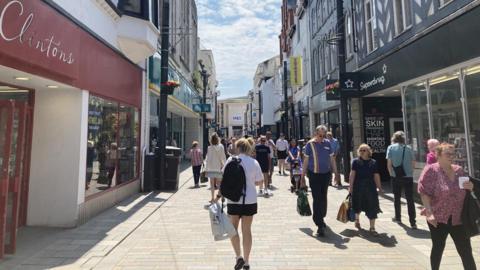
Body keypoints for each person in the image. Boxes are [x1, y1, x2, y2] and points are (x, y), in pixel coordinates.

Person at [418, 143, 477, 270]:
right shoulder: (431, 170)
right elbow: (424, 193)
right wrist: (429, 213)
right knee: (438, 248)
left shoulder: (459, 170)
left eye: (453, 153)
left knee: (466, 251)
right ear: (438, 155)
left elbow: (467, 191)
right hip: (438, 218)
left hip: (459, 218)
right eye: (448, 154)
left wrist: (471, 188)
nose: (452, 156)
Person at [215, 138, 263, 270]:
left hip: (233, 200)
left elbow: (222, 180)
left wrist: (218, 196)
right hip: (250, 201)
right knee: (247, 231)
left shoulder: (231, 160)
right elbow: (260, 181)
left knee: (233, 230)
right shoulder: (254, 162)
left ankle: (238, 257)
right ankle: (247, 262)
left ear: (237, 148)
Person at [301, 125, 338, 237]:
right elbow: (306, 161)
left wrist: (336, 173)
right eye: (319, 135)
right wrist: (302, 176)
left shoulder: (327, 144)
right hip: (314, 175)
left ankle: (321, 217)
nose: (321, 137)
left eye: (323, 135)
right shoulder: (310, 144)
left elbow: (332, 159)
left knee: (323, 197)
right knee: (317, 198)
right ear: (316, 133)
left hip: (326, 175)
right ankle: (319, 224)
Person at [349, 144, 383, 235]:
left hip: (370, 187)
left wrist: (379, 187)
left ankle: (372, 227)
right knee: (357, 205)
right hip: (358, 186)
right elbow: (352, 175)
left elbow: (376, 175)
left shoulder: (373, 162)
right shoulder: (355, 162)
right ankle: (357, 220)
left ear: (369, 151)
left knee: (372, 206)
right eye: (360, 150)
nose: (362, 152)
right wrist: (350, 187)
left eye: (364, 150)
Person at [386, 131, 417, 229]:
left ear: (394, 139)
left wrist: (392, 174)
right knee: (410, 199)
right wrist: (410, 172)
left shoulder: (390, 148)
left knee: (397, 198)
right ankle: (413, 222)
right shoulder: (408, 148)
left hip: (396, 177)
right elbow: (413, 162)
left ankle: (398, 217)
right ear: (403, 139)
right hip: (408, 177)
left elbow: (389, 164)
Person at [205, 133, 226, 203]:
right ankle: (222, 196)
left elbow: (208, 159)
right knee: (220, 184)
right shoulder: (221, 147)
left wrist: (206, 168)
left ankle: (212, 198)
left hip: (211, 168)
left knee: (212, 184)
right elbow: (223, 157)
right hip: (219, 168)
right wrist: (224, 165)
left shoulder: (209, 148)